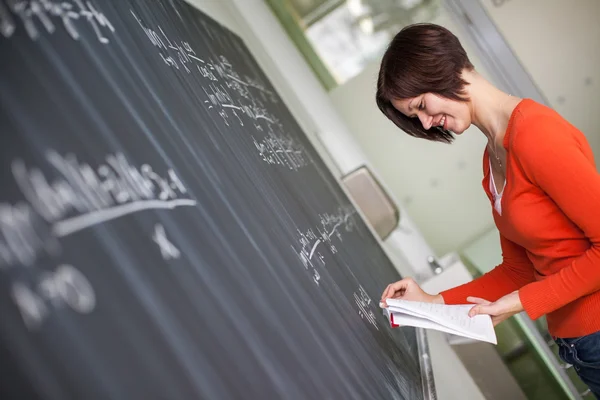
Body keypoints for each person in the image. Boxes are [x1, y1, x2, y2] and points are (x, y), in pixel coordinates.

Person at [376, 23, 600, 397]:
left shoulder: (536, 134)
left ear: (441, 68)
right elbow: (518, 269)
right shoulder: (493, 157)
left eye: (420, 107)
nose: (427, 123)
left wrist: (522, 303)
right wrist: (433, 303)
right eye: (415, 119)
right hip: (580, 347)